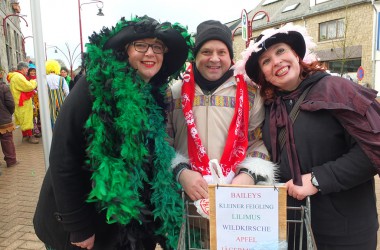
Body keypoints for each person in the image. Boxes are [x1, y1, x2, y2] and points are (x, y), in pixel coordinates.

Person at [33, 15, 192, 250]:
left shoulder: (154, 95)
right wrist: (78, 225)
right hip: (88, 221)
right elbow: (62, 156)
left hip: (127, 224)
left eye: (157, 47)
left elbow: (150, 159)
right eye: (141, 45)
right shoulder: (94, 86)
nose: (150, 53)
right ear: (125, 51)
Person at [235, 23, 380, 249]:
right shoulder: (270, 108)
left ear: (295, 54)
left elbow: (373, 151)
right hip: (293, 229)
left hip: (344, 232)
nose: (276, 62)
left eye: (280, 51)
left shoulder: (337, 89)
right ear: (263, 75)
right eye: (266, 61)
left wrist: (317, 179)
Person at [166, 20, 276, 248]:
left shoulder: (251, 94)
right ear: (195, 56)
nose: (214, 58)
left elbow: (259, 142)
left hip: (236, 206)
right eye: (206, 51)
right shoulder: (173, 92)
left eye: (221, 52)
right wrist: (181, 172)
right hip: (186, 205)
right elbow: (163, 141)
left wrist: (248, 175)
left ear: (230, 56)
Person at [8, 61, 39, 144]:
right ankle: (30, 136)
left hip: (19, 101)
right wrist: (33, 81)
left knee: (23, 118)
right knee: (27, 119)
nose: (27, 71)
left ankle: (25, 136)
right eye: (27, 69)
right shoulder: (18, 77)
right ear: (23, 68)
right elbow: (29, 87)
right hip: (23, 101)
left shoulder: (15, 76)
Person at [0, 67, 18, 168]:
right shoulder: (4, 88)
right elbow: (10, 104)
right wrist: (9, 113)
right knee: (7, 140)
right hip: (4, 120)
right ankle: (11, 161)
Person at [45, 60, 69, 128]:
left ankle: (53, 134)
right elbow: (67, 92)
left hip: (49, 102)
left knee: (51, 119)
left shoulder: (45, 79)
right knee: (61, 118)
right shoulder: (61, 79)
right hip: (61, 102)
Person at [27, 64, 42, 138]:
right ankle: (35, 130)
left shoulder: (39, 79)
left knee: (39, 114)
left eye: (34, 71)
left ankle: (40, 129)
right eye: (31, 71)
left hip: (39, 99)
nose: (33, 73)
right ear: (29, 72)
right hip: (31, 99)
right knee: (33, 114)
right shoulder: (27, 79)